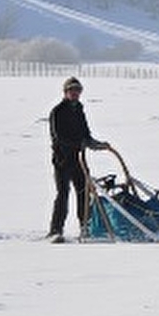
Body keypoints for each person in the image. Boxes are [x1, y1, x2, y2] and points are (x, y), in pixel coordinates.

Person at [47, 76, 110, 242]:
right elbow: (59, 137)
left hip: (78, 160)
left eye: (77, 91)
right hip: (62, 160)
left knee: (84, 193)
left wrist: (97, 145)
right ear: (66, 92)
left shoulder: (79, 110)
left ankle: (85, 227)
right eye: (72, 91)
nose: (75, 93)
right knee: (63, 194)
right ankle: (55, 230)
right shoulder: (58, 111)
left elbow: (86, 134)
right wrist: (80, 143)